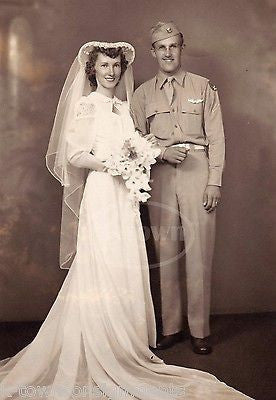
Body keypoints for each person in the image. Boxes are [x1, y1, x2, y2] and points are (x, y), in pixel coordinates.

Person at [0, 41, 253, 400]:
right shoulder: (87, 106)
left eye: (115, 66)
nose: (111, 72)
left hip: (125, 198)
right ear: (92, 70)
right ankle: (101, 342)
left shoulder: (122, 107)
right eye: (104, 65)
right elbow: (74, 155)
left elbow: (138, 145)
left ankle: (125, 344)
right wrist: (115, 164)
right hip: (104, 193)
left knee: (125, 264)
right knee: (101, 264)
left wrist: (145, 152)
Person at [131, 21, 225, 354]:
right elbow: (134, 140)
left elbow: (216, 138)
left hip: (198, 172)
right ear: (153, 52)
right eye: (161, 47)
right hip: (160, 176)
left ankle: (200, 330)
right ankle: (170, 326)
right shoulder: (142, 95)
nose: (168, 52)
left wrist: (214, 180)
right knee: (166, 252)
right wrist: (160, 151)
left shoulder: (203, 87)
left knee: (199, 252)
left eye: (173, 46)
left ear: (181, 48)